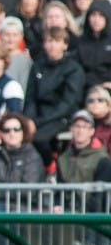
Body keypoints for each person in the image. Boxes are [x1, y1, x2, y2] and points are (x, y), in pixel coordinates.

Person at [24, 26, 85, 164]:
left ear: (65, 45)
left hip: (62, 116)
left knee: (39, 138)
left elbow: (67, 103)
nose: (52, 46)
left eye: (56, 41)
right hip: (38, 115)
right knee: (19, 134)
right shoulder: (38, 66)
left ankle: (51, 166)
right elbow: (31, 97)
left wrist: (38, 121)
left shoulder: (73, 68)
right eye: (48, 41)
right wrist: (29, 119)